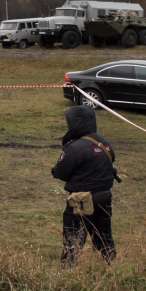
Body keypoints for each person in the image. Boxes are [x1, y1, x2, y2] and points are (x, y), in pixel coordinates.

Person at [52, 105, 119, 265]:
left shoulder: (75, 147)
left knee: (73, 242)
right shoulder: (105, 143)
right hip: (104, 196)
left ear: (75, 123)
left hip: (81, 199)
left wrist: (55, 170)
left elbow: (61, 173)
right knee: (104, 239)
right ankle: (112, 272)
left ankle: (68, 278)